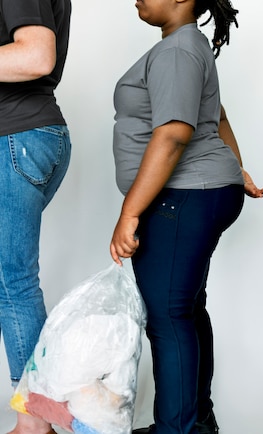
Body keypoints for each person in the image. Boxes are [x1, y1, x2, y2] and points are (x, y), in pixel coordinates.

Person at [108, 0, 263, 432]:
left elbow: (175, 133)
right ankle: (196, 424)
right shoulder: (185, 46)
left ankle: (177, 429)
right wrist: (238, 168)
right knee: (186, 311)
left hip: (183, 195)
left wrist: (129, 212)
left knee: (169, 315)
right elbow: (218, 117)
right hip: (199, 192)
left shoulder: (178, 49)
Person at [0, 1, 72, 433]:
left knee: (14, 282)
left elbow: (36, 54)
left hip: (16, 139)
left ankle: (35, 422)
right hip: (26, 137)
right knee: (9, 278)